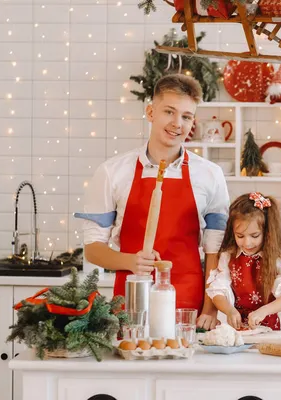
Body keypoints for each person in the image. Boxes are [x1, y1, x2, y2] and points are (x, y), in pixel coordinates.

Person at [77, 74, 229, 330]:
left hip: (188, 308)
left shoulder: (210, 174)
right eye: (169, 111)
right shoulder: (112, 172)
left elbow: (215, 251)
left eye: (186, 116)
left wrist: (209, 310)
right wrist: (129, 261)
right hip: (129, 305)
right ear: (150, 111)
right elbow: (93, 249)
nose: (177, 123)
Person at [206, 192, 281, 330]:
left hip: (269, 332)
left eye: (254, 235)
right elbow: (217, 291)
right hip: (238, 330)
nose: (247, 243)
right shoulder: (228, 257)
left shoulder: (278, 260)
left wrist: (264, 311)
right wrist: (229, 311)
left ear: (267, 232)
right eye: (240, 236)